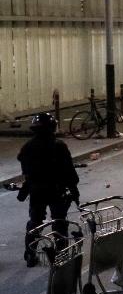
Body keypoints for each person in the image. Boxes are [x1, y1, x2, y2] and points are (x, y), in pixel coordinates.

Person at [17, 113, 80, 268]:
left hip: (36, 189)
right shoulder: (58, 145)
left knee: (35, 221)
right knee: (59, 220)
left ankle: (30, 255)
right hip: (56, 189)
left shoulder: (27, 147)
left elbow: (24, 168)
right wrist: (74, 191)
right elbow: (69, 172)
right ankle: (61, 254)